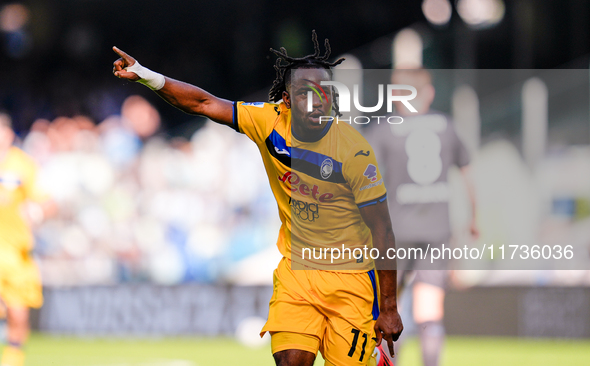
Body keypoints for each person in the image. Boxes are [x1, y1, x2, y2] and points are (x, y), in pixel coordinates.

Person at [112, 31, 403, 366]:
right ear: (286, 99)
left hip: (351, 283)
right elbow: (204, 103)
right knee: (291, 361)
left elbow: (383, 231)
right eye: (304, 93)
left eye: (322, 92)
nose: (315, 100)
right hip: (297, 274)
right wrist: (148, 77)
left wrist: (390, 308)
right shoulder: (270, 121)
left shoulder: (355, 151)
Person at [365, 69, 478, 366]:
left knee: (389, 307)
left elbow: (365, 177)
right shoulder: (446, 126)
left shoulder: (385, 129)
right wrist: (474, 220)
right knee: (429, 310)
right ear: (428, 93)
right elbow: (468, 178)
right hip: (437, 231)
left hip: (395, 232)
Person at [0, 113, 53, 366]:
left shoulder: (23, 164)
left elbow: (47, 201)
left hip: (17, 250)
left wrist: (38, 212)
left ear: (10, 134)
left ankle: (13, 358)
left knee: (18, 308)